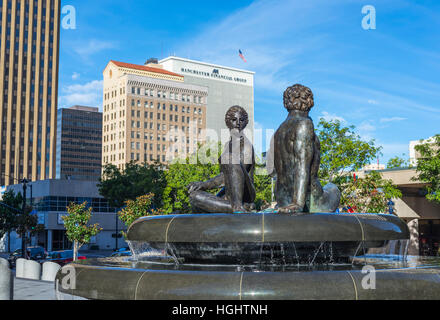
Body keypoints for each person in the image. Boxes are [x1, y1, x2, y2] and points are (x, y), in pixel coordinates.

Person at [271, 84, 340, 214]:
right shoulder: (304, 124)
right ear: (309, 101)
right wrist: (297, 204)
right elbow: (302, 166)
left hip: (282, 198)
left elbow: (276, 172)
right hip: (309, 198)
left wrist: (283, 202)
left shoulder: (279, 131)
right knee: (333, 188)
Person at [187, 106, 256, 213]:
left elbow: (234, 174)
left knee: (229, 158)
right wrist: (214, 195)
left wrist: (204, 184)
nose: (238, 123)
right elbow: (227, 178)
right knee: (194, 196)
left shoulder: (247, 145)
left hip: (245, 193)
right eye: (234, 120)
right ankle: (235, 207)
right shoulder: (228, 145)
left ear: (246, 123)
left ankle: (238, 206)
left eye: (241, 120)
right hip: (228, 193)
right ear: (227, 122)